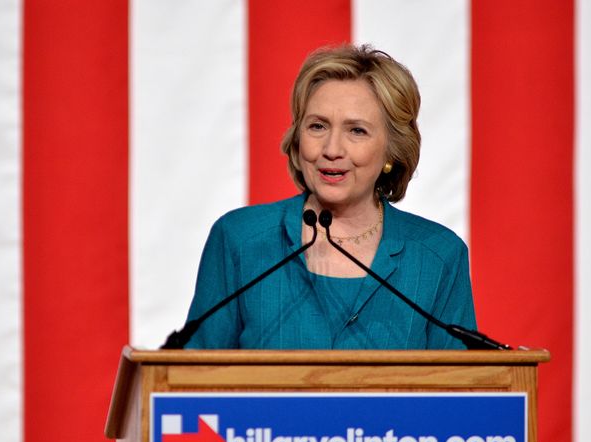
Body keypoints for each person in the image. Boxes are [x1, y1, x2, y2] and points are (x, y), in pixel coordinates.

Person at [184, 44, 476, 350]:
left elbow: (463, 391)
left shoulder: (438, 255)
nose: (332, 149)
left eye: (357, 131)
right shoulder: (240, 240)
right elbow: (193, 380)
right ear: (298, 140)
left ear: (392, 150)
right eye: (318, 126)